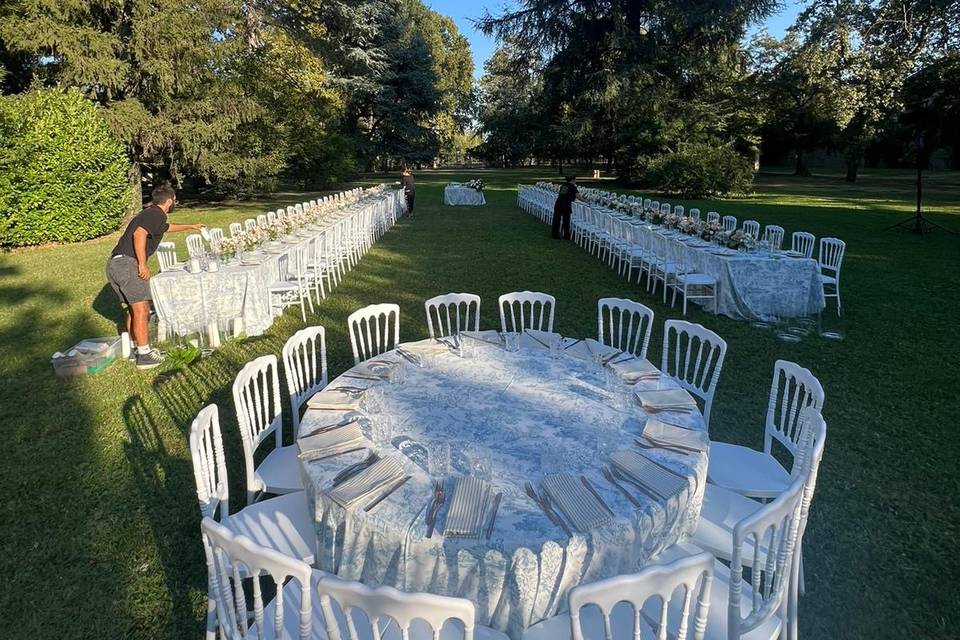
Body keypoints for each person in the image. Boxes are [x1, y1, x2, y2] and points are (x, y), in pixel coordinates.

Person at [106, 184, 205, 369]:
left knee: (134, 308)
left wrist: (191, 226)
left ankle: (137, 348)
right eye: (174, 200)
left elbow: (166, 228)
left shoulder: (151, 214)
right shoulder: (155, 214)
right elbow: (140, 234)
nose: (174, 203)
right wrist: (142, 264)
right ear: (169, 201)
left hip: (116, 264)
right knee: (142, 308)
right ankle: (144, 355)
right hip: (127, 264)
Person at [551, 175, 582, 240]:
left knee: (556, 220)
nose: (575, 181)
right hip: (565, 204)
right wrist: (587, 201)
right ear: (573, 180)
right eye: (575, 180)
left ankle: (555, 235)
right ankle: (566, 236)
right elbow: (579, 197)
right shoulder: (573, 187)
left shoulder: (564, 185)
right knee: (566, 220)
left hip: (558, 203)